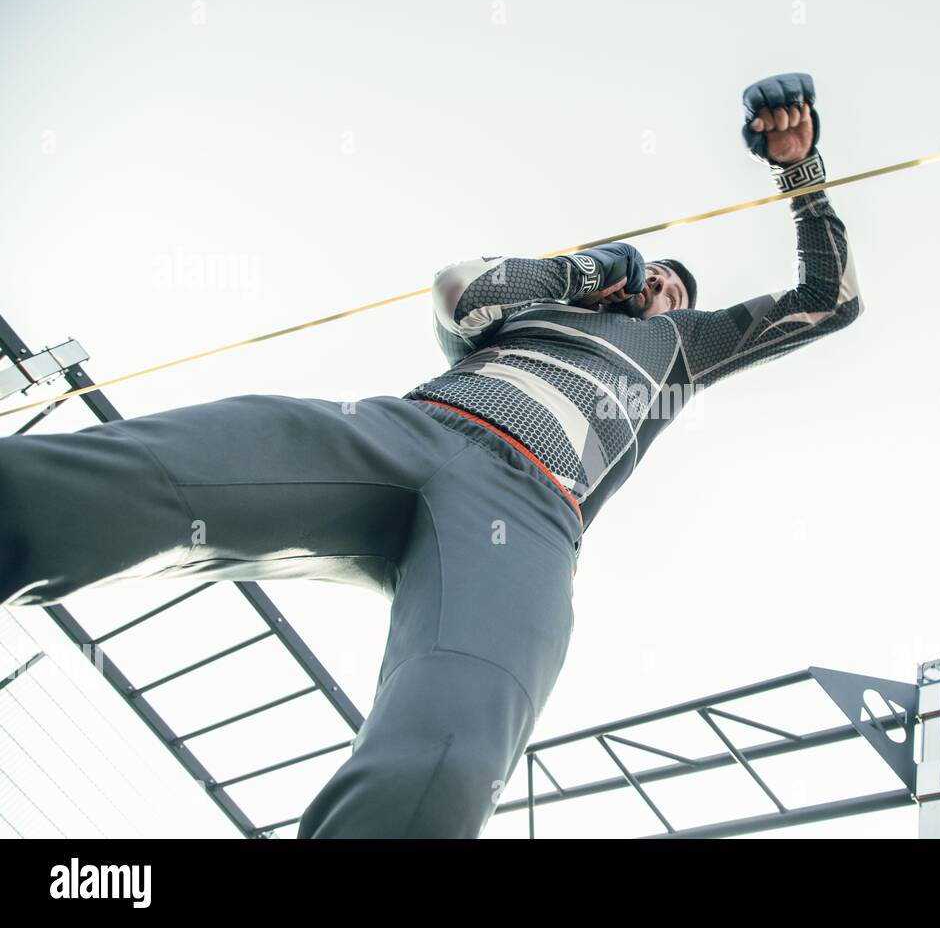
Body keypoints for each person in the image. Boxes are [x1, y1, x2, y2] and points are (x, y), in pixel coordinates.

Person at [0, 73, 860, 837]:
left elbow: (830, 301)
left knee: (448, 756)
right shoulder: (536, 308)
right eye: (656, 274)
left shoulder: (685, 345)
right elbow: (460, 287)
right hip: (403, 435)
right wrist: (592, 266)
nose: (665, 286)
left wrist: (799, 171)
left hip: (525, 516)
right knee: (97, 486)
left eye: (679, 285)